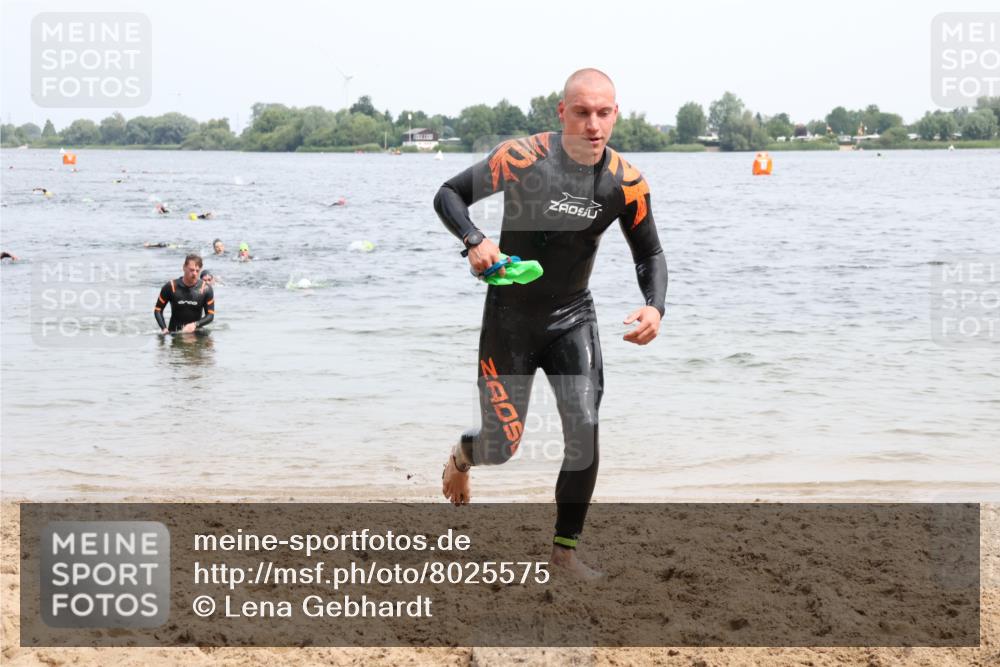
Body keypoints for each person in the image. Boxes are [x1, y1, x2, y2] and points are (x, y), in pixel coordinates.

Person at [435, 68, 667, 578]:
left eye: (603, 113)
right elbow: (448, 195)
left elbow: (649, 252)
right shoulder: (522, 159)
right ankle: (463, 456)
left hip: (572, 317)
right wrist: (474, 240)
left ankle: (564, 555)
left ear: (616, 113)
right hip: (509, 319)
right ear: (562, 113)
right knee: (502, 445)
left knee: (585, 429)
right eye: (581, 112)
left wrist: (654, 306)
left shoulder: (625, 183)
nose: (593, 124)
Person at [153, 253, 216, 334]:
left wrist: (195, 325)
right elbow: (158, 310)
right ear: (184, 267)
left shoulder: (206, 288)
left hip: (196, 333)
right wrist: (164, 329)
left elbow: (210, 316)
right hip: (175, 333)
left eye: (197, 271)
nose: (195, 274)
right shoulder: (171, 286)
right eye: (192, 270)